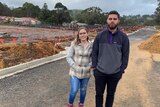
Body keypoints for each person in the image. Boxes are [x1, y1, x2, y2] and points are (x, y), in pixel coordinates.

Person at [92, 10, 130, 107]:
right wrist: (94, 68)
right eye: (110, 19)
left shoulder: (124, 38)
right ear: (107, 20)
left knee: (110, 95)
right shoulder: (100, 36)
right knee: (99, 94)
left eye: (114, 19)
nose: (112, 21)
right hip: (100, 72)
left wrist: (121, 70)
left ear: (118, 20)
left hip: (115, 74)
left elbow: (125, 56)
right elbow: (94, 52)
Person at [66, 27, 92, 107]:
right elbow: (68, 57)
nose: (82, 35)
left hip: (86, 72)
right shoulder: (74, 44)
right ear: (78, 35)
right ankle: (70, 104)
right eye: (81, 33)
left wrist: (89, 66)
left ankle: (81, 104)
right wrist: (74, 66)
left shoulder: (92, 45)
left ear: (87, 34)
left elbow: (94, 58)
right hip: (75, 72)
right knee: (74, 90)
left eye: (84, 33)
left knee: (83, 90)